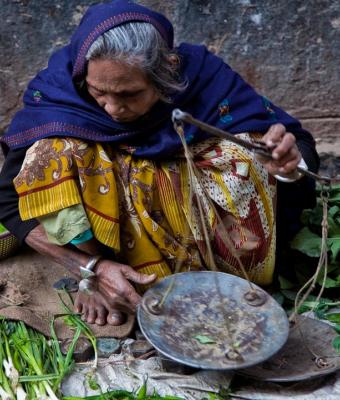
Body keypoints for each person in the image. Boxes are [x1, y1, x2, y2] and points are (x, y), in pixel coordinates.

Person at [0, 0, 319, 326]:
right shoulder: (61, 93)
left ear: (165, 74)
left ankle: (210, 277)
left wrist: (288, 165)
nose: (111, 108)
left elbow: (299, 144)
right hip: (99, 250)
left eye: (129, 94)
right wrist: (88, 267)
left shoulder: (203, 80)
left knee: (248, 152)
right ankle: (104, 281)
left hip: (201, 241)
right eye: (100, 92)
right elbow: (9, 202)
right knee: (47, 157)